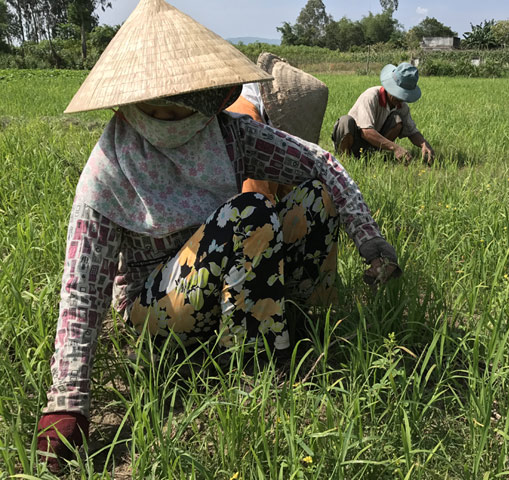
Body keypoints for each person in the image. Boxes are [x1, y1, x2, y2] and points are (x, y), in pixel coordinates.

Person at [35, 0, 401, 472]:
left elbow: (320, 164)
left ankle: (310, 330)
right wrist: (68, 401)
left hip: (229, 278)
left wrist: (369, 241)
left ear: (204, 97)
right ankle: (264, 376)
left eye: (180, 104)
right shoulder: (108, 170)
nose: (169, 118)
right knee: (248, 213)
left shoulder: (230, 136)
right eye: (155, 108)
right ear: (129, 103)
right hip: (159, 309)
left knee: (314, 198)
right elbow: (82, 289)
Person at [227, 52, 329, 204]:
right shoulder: (247, 121)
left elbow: (284, 177)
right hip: (235, 216)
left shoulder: (260, 114)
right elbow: (254, 201)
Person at [331, 62, 435, 165]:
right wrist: (395, 147)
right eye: (398, 94)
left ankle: (373, 156)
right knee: (345, 121)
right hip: (354, 140)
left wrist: (423, 144)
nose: (400, 99)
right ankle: (345, 160)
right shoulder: (371, 96)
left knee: (398, 120)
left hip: (371, 145)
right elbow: (366, 131)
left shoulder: (402, 106)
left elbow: (411, 131)